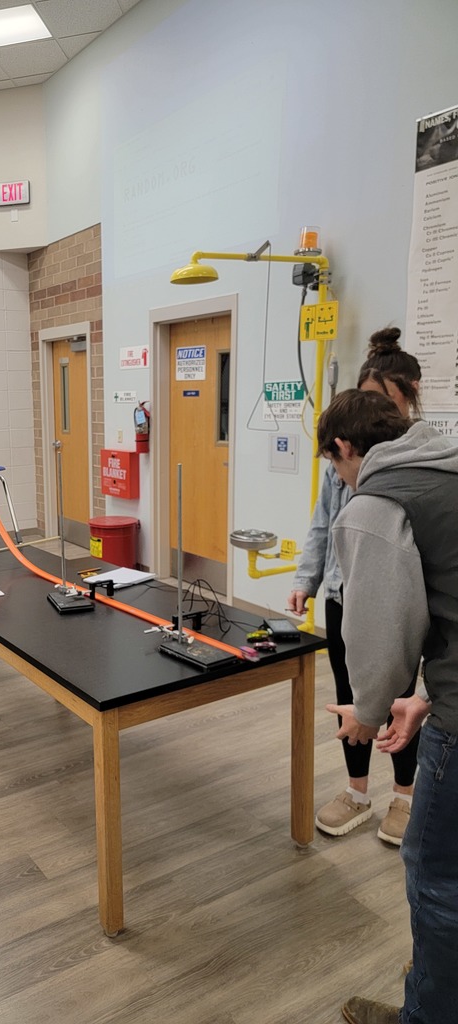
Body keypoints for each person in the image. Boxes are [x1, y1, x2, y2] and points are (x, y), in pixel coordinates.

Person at [315, 388, 458, 1024]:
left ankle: (427, 1011)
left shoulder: (377, 502)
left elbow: (380, 629)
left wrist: (367, 711)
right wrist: (425, 695)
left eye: (335, 465)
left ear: (345, 447)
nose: (340, 479)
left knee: (436, 878)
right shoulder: (445, 466)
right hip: (448, 694)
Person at [287, 328, 425, 844]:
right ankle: (357, 792)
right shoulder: (341, 466)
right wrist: (309, 578)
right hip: (346, 594)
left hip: (397, 599)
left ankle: (405, 797)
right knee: (353, 696)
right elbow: (323, 524)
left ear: (407, 397)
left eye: (383, 402)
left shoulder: (417, 464)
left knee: (399, 698)